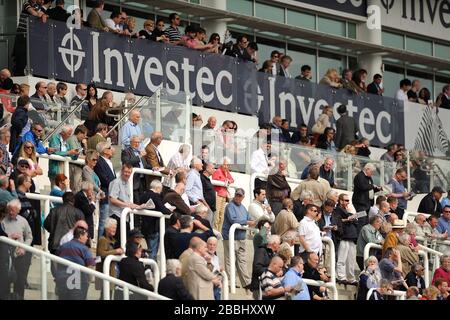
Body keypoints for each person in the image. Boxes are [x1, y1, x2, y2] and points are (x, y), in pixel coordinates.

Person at [221, 188, 256, 293]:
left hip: (241, 238)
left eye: (240, 196)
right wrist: (247, 221)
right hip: (229, 237)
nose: (238, 197)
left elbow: (250, 219)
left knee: (242, 261)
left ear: (243, 197)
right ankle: (231, 281)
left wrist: (251, 222)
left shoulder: (244, 208)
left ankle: (246, 282)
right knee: (230, 259)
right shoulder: (229, 206)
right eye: (237, 195)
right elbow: (233, 220)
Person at [2, 199, 33, 300]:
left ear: (18, 211)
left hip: (21, 255)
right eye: (9, 210)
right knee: (5, 282)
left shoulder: (23, 221)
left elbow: (29, 237)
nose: (11, 212)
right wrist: (9, 237)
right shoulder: (2, 221)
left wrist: (24, 247)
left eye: (13, 210)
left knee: (20, 281)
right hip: (6, 256)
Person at [56, 226, 96, 300]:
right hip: (79, 284)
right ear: (80, 236)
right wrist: (89, 280)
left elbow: (55, 260)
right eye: (86, 236)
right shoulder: (84, 249)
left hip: (62, 281)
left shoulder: (63, 246)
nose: (87, 238)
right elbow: (91, 265)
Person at [140, 180, 172, 260]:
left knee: (149, 250)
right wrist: (170, 211)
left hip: (145, 226)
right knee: (153, 251)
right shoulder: (155, 196)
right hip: (153, 227)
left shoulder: (143, 195)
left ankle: (149, 267)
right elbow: (163, 209)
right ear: (157, 188)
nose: (161, 192)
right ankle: (152, 268)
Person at [108, 163, 140, 243]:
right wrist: (127, 205)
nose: (127, 174)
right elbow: (112, 199)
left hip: (124, 216)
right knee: (118, 242)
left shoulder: (128, 183)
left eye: (129, 172)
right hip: (116, 216)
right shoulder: (116, 182)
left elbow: (126, 201)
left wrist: (138, 206)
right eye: (126, 172)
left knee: (125, 241)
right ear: (122, 171)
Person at [335, 193, 358, 285]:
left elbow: (356, 221)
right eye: (346, 200)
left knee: (351, 260)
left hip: (352, 236)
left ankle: (350, 277)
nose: (348, 202)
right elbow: (337, 220)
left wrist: (351, 215)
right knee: (342, 258)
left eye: (348, 200)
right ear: (340, 201)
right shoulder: (337, 209)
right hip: (343, 236)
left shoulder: (349, 209)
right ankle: (341, 276)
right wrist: (348, 219)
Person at [94, 141, 117, 239]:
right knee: (103, 221)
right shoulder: (99, 161)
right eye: (109, 147)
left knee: (109, 222)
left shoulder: (110, 162)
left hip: (112, 194)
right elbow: (104, 179)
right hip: (106, 193)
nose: (111, 149)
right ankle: (100, 245)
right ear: (104, 151)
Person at [95, 218, 123, 293]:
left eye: (115, 228)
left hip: (110, 272)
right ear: (107, 228)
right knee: (105, 294)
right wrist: (116, 251)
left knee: (108, 294)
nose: (115, 230)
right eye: (113, 228)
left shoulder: (112, 240)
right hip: (104, 271)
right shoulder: (103, 240)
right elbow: (101, 254)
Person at [352, 163, 382, 233]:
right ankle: (359, 237)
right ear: (367, 169)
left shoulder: (369, 178)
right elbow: (363, 187)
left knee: (366, 221)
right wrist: (372, 186)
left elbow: (370, 189)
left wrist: (378, 188)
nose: (372, 174)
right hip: (360, 202)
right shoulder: (359, 176)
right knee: (361, 219)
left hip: (367, 203)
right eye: (371, 172)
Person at [212, 157, 234, 231]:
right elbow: (214, 180)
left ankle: (219, 232)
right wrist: (225, 180)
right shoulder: (218, 171)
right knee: (217, 215)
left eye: (228, 165)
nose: (226, 166)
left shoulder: (227, 172)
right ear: (221, 164)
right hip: (218, 195)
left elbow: (232, 180)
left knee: (221, 216)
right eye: (225, 165)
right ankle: (215, 231)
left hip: (224, 195)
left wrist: (228, 180)